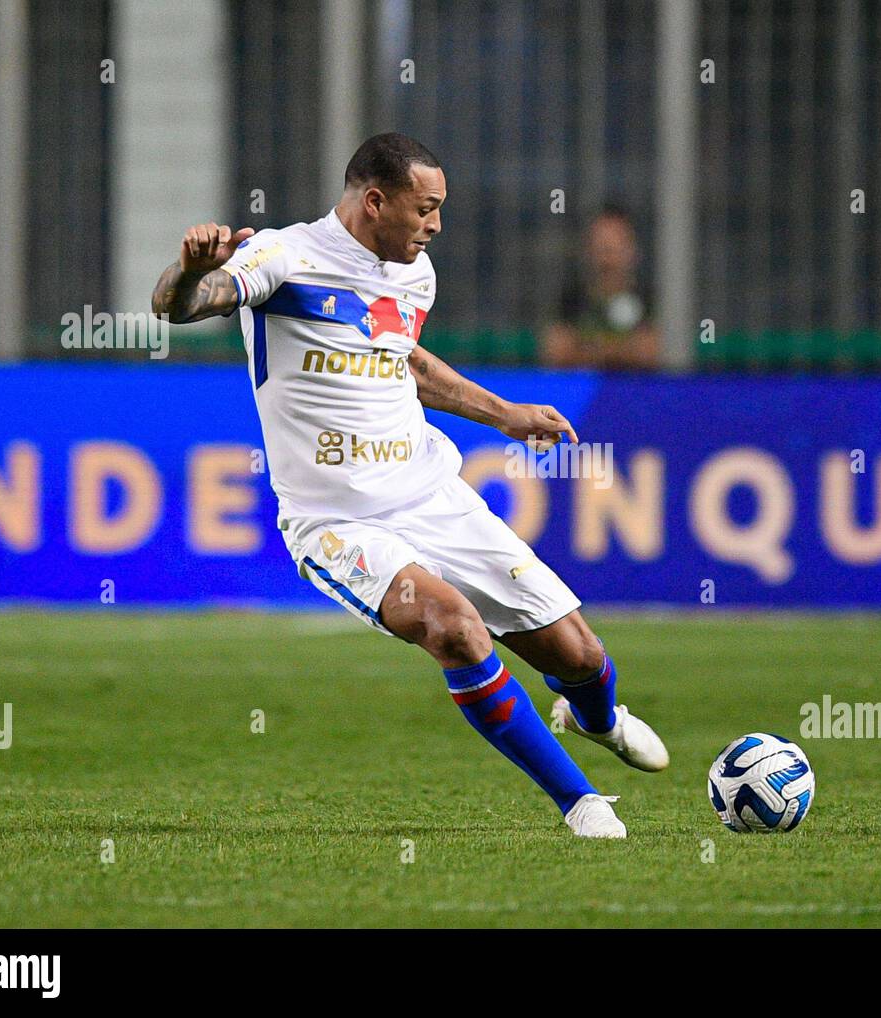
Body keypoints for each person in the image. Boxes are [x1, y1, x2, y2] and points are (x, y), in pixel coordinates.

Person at [150, 133, 667, 838]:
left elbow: (405, 363)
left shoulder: (412, 273)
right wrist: (188, 272)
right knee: (453, 629)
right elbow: (182, 306)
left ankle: (595, 717)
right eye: (426, 209)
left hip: (431, 495)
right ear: (375, 201)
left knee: (581, 657)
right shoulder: (283, 256)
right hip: (339, 522)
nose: (437, 225)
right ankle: (579, 801)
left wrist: (505, 414)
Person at [541, 206, 660, 370]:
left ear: (632, 252)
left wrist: (587, 350)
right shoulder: (571, 300)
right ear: (589, 251)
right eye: (602, 248)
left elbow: (649, 353)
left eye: (614, 249)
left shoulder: (646, 299)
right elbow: (557, 353)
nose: (608, 259)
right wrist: (621, 350)